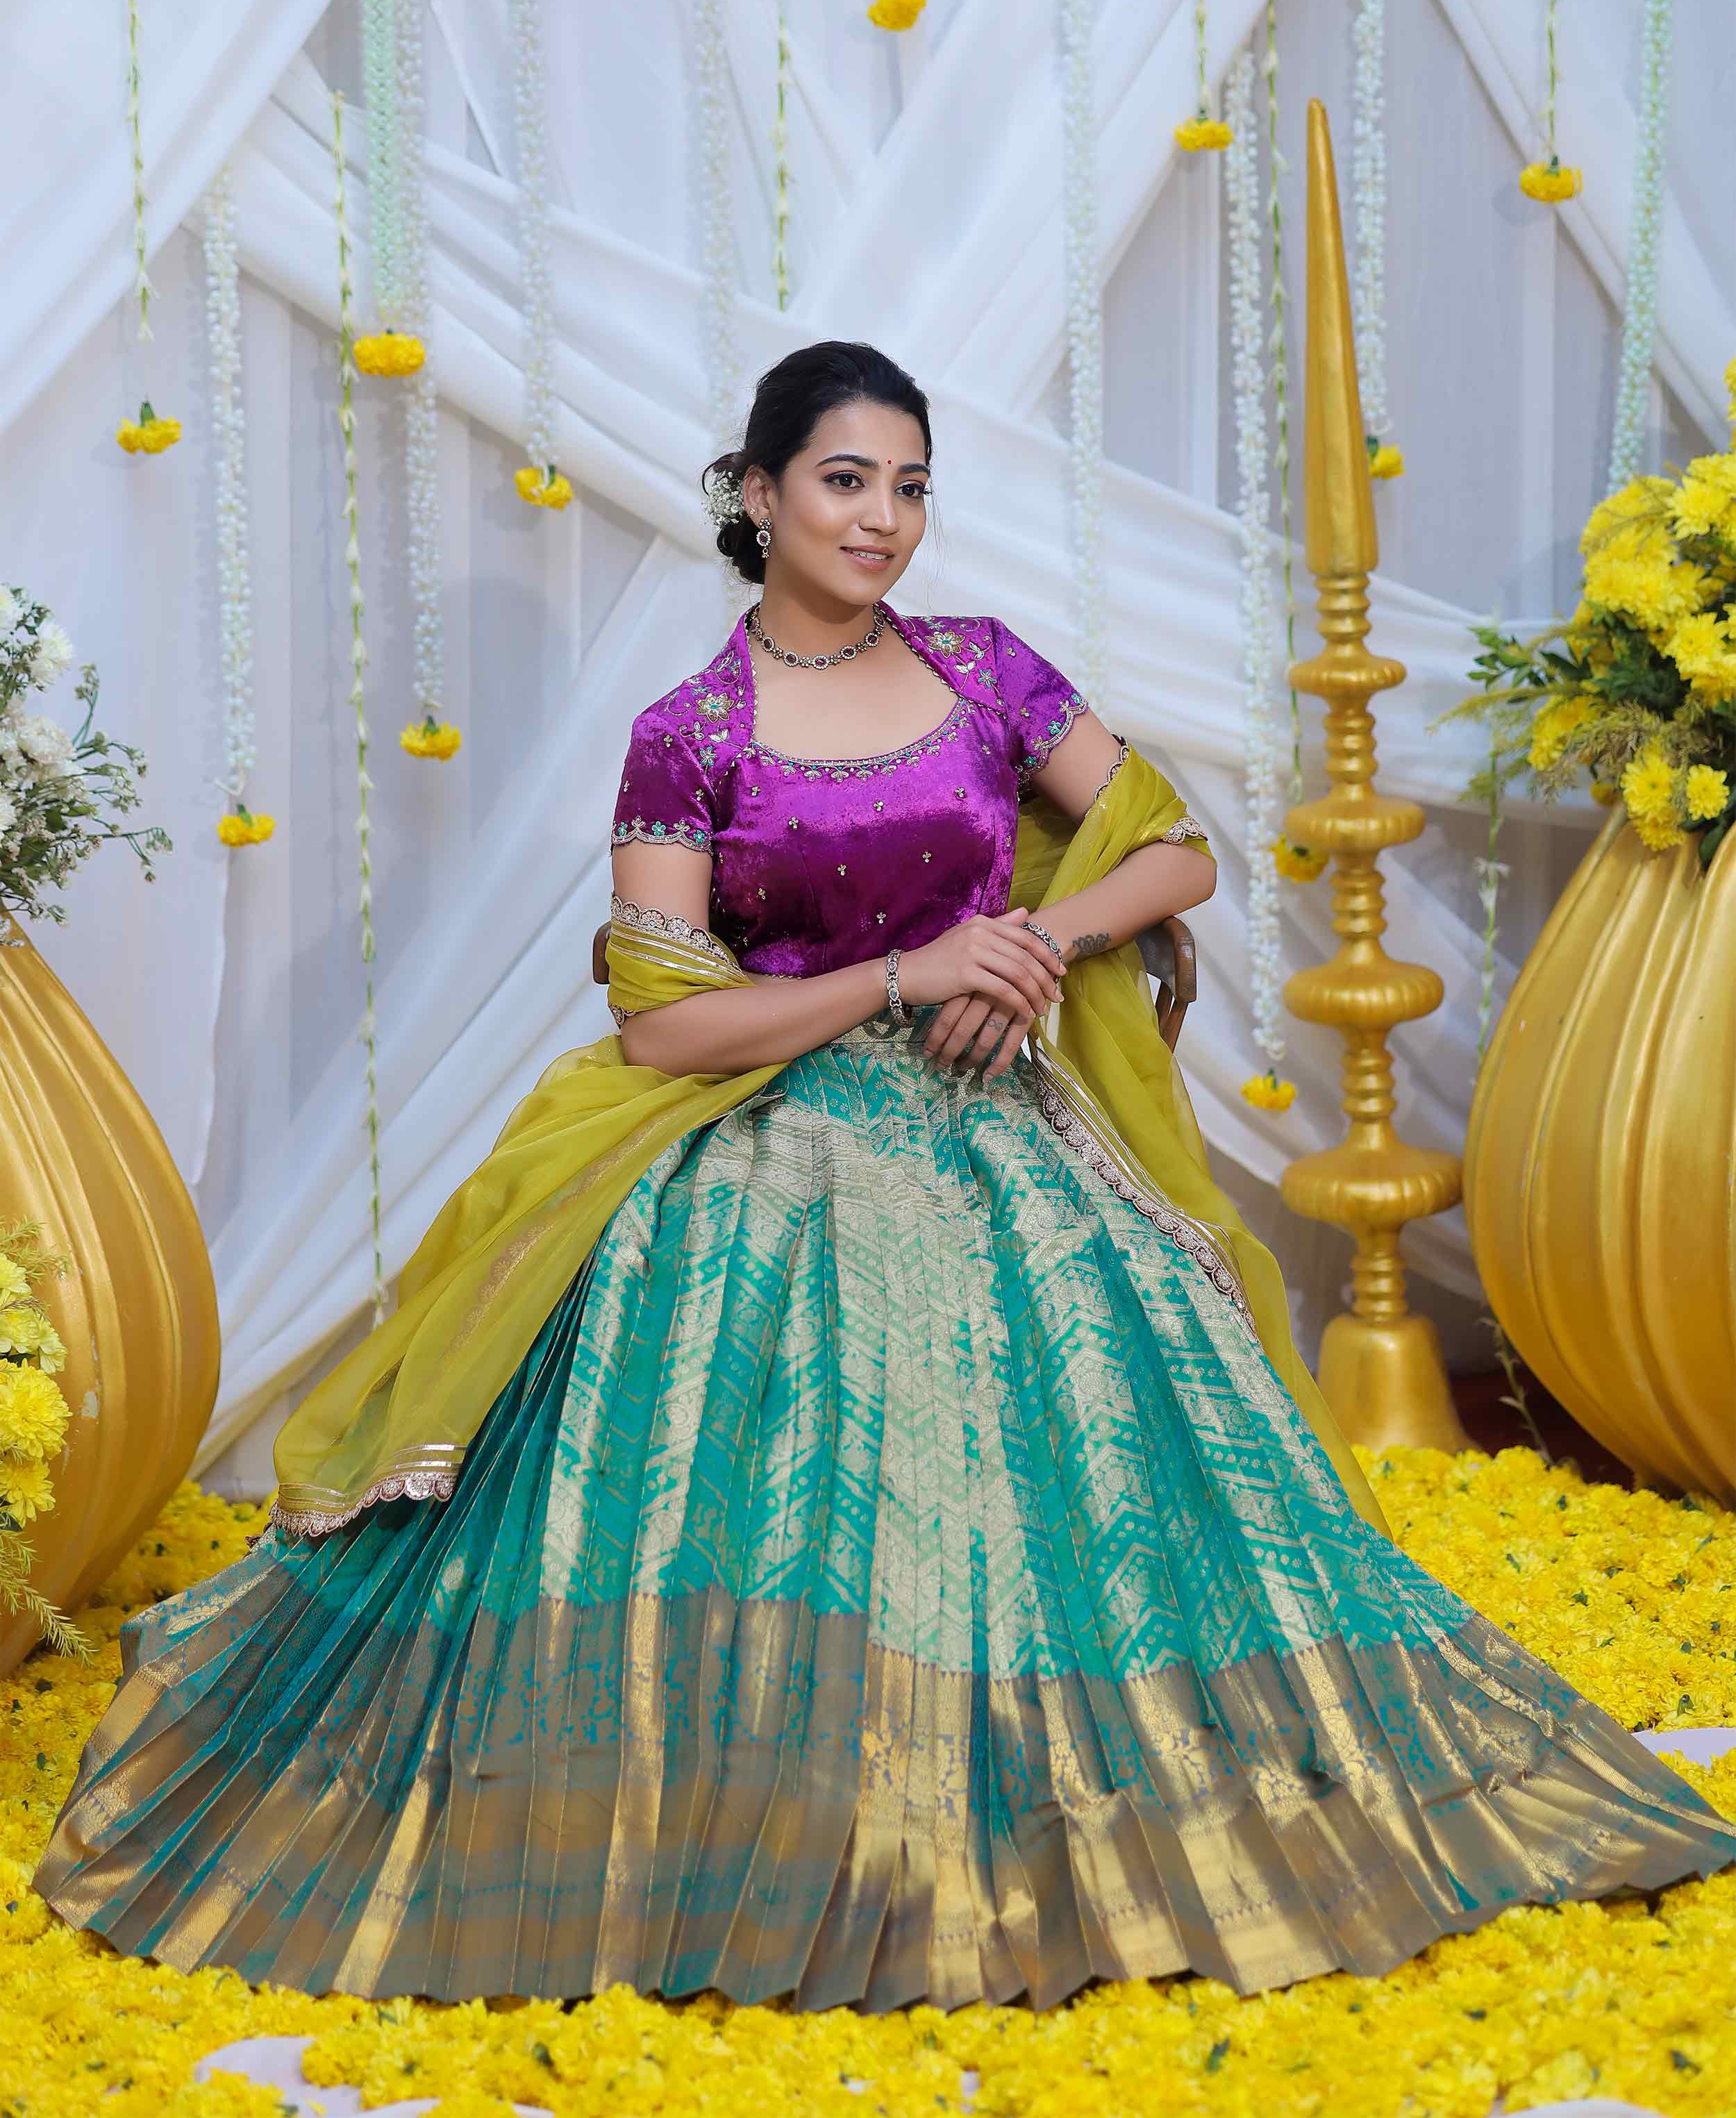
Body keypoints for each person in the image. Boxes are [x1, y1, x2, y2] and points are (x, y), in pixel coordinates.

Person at [35, 340, 1736, 2014]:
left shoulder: (987, 671)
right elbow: (661, 1031)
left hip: (1003, 1129)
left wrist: (1026, 945)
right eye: (845, 483)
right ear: (758, 492)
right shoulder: (686, 733)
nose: (881, 522)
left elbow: (1168, 846)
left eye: (908, 488)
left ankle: (1094, 1793)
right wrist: (907, 979)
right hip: (767, 1148)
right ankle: (759, 1806)